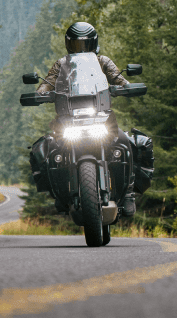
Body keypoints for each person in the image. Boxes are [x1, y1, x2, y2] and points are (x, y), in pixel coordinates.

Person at [35, 22, 139, 217]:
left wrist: (126, 87)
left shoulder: (103, 61)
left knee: (125, 143)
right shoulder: (61, 64)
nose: (80, 49)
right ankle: (58, 193)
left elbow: (119, 79)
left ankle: (129, 194)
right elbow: (46, 83)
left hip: (100, 116)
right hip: (69, 118)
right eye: (75, 45)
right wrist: (40, 94)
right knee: (49, 150)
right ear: (68, 44)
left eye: (83, 44)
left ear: (93, 44)